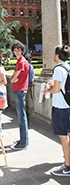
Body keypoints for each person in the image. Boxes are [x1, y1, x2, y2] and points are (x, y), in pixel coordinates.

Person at [43, 45, 70, 176]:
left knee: (63, 136)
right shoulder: (68, 66)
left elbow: (57, 89)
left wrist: (47, 90)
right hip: (68, 105)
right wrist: (52, 84)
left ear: (58, 55)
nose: (54, 56)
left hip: (61, 106)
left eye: (55, 54)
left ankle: (67, 166)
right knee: (68, 135)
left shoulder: (58, 69)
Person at [10, 41, 29, 150]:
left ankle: (23, 142)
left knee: (21, 117)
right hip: (20, 89)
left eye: (18, 50)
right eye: (15, 50)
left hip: (19, 90)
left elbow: (13, 78)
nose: (16, 52)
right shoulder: (20, 61)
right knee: (21, 116)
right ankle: (24, 139)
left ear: (22, 51)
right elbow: (13, 75)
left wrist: (13, 79)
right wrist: (13, 77)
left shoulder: (21, 62)